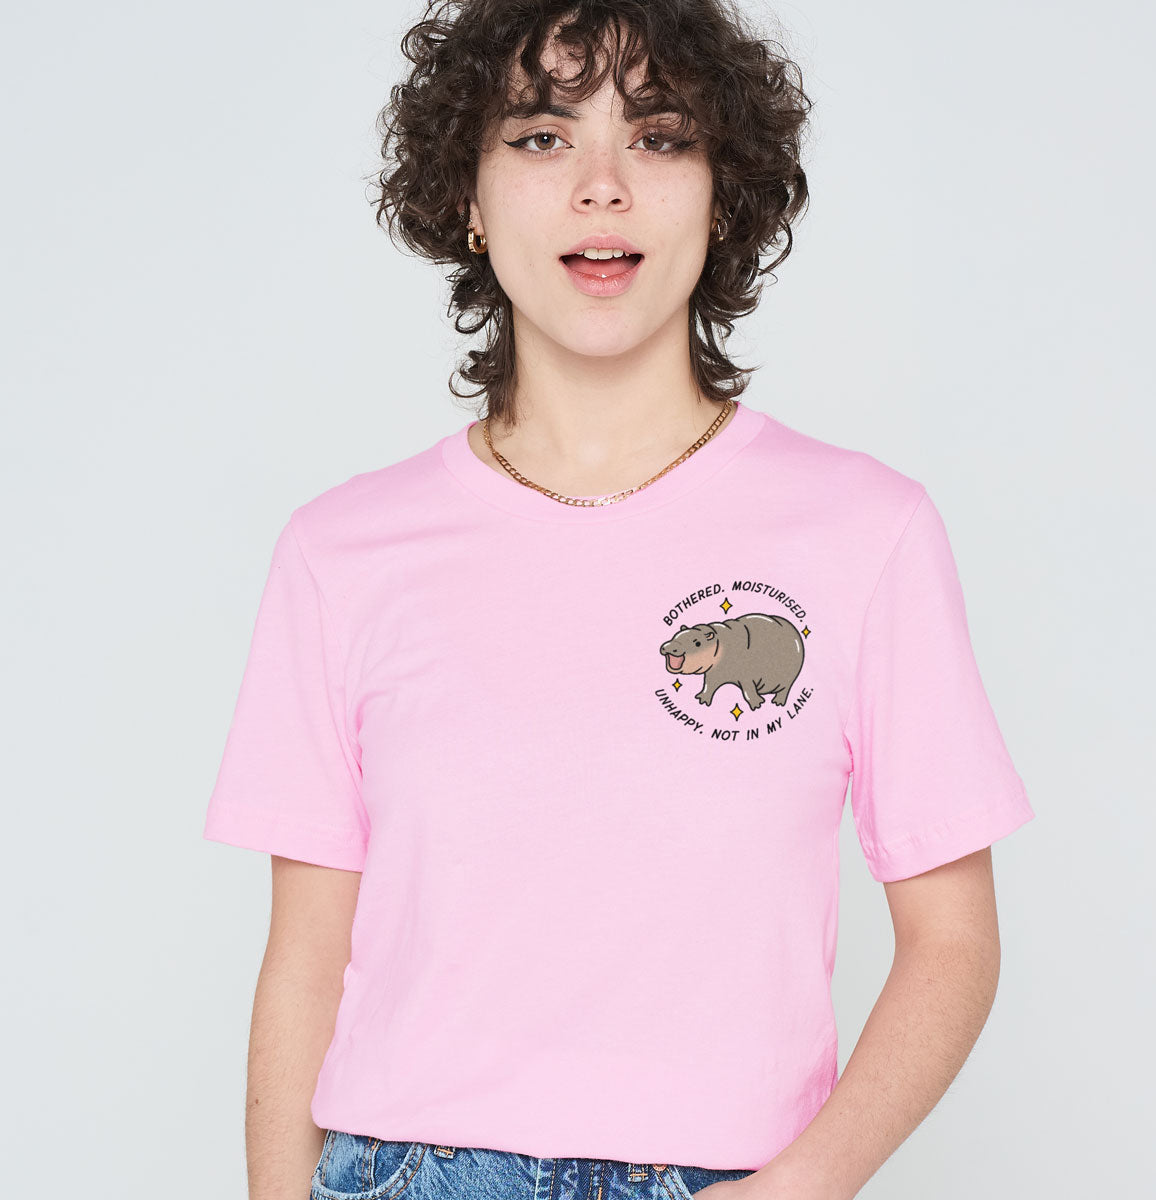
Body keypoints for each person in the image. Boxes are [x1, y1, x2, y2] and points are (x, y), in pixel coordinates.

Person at [202, 2, 1036, 1198]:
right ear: (469, 198)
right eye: (542, 137)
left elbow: (953, 943)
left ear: (722, 195)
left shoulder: (867, 533)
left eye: (659, 136)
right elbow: (304, 958)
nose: (602, 185)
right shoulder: (341, 552)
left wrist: (797, 1189)